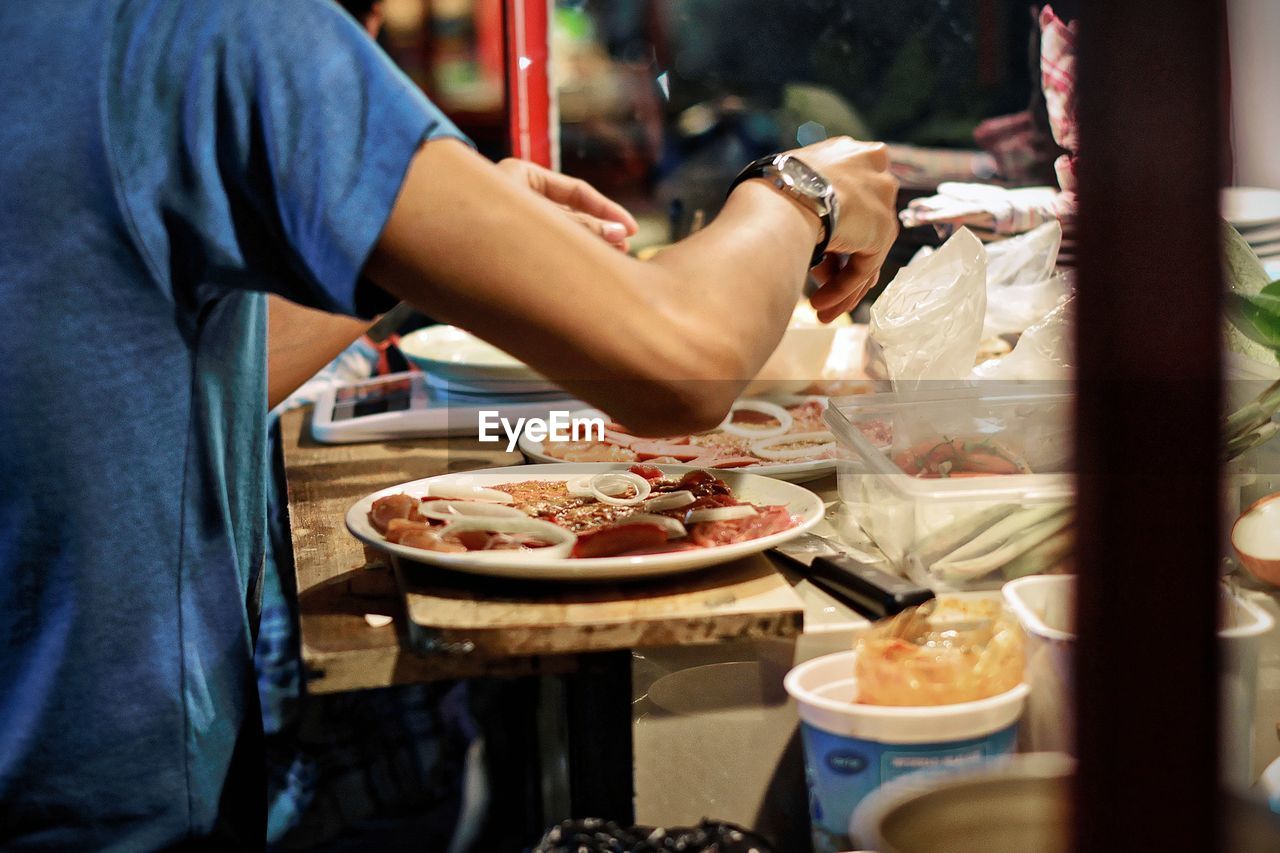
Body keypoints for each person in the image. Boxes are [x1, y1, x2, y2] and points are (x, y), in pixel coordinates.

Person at [0, 0, 896, 849]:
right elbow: (682, 363)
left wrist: (438, 237)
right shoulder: (225, 25)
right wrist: (797, 190)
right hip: (117, 806)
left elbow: (156, 375)